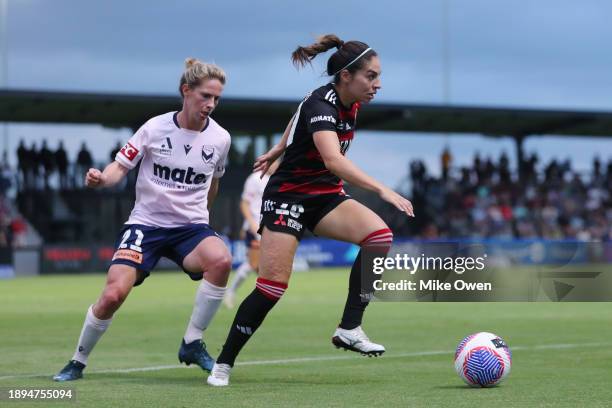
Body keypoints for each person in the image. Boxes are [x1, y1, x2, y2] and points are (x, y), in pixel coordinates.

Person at [207, 34, 414, 387]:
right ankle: (223, 363)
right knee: (272, 287)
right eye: (371, 76)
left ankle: (349, 327)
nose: (378, 84)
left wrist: (279, 146)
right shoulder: (324, 105)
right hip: (288, 196)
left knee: (379, 237)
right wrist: (382, 188)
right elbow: (333, 159)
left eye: (378, 76)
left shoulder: (348, 102)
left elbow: (298, 112)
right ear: (346, 76)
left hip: (324, 196)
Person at [53, 57, 233, 381]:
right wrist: (101, 179)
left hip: (189, 227)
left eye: (216, 98)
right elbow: (119, 168)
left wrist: (203, 219)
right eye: (205, 96)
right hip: (146, 224)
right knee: (112, 295)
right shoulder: (154, 128)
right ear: (186, 90)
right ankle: (77, 361)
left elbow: (215, 181)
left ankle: (192, 342)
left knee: (221, 260)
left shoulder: (220, 138)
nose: (211, 104)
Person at [223, 161, 280, 308]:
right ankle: (231, 292)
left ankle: (237, 293)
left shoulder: (277, 179)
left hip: (269, 227)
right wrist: (251, 224)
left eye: (277, 163)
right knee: (254, 263)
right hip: (255, 228)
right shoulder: (254, 179)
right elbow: (244, 204)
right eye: (273, 162)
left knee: (261, 266)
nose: (276, 165)